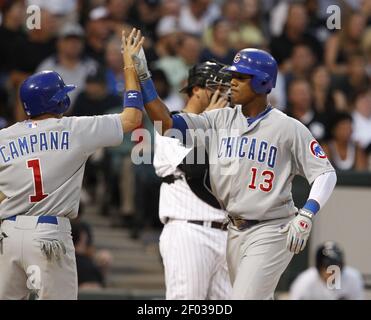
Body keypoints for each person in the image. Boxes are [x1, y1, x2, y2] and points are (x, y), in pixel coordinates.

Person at [128, 32, 337, 299]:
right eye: (233, 76)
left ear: (262, 82)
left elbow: (325, 173)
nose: (232, 83)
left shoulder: (288, 128)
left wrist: (307, 213)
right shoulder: (220, 119)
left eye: (241, 77)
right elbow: (168, 125)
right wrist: (145, 80)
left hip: (272, 228)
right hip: (234, 230)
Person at [0, 29, 144, 300]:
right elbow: (132, 118)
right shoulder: (74, 128)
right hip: (48, 233)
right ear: (59, 101)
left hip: (7, 234)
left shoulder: (4, 137)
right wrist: (129, 65)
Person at [154, 61, 232, 299]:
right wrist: (208, 123)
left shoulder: (228, 127)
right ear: (196, 89)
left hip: (227, 233)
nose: (224, 94)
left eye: (227, 88)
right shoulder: (170, 124)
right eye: (216, 87)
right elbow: (194, 166)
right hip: (189, 230)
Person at [290, 241, 364, 300]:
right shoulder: (304, 282)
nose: (333, 272)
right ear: (318, 268)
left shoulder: (353, 278)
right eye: (327, 267)